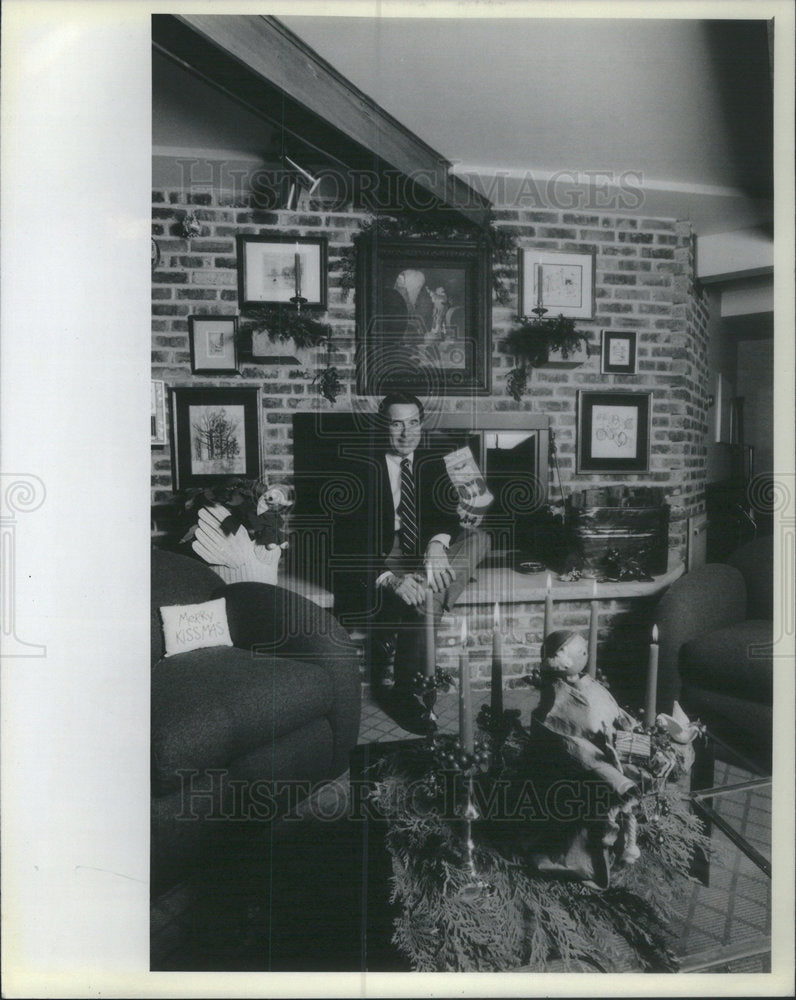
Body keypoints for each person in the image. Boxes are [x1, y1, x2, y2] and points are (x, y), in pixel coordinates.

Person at [332, 392, 491, 732]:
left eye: (413, 423)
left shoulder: (438, 458)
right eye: (396, 424)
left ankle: (421, 595)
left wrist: (437, 542)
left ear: (422, 423)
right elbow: (343, 540)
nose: (407, 433)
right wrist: (389, 579)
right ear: (382, 426)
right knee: (428, 600)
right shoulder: (355, 464)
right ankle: (407, 689)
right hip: (381, 554)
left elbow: (456, 511)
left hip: (423, 554)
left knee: (480, 538)